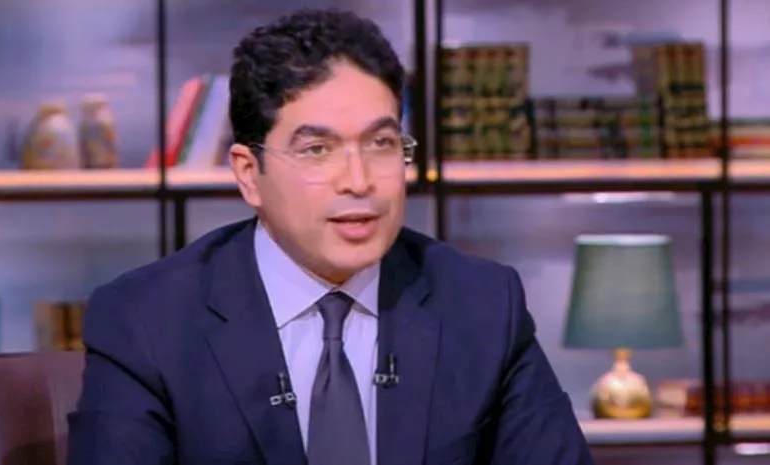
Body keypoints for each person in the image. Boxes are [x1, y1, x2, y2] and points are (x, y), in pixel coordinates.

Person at [67, 8, 593, 465]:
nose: (359, 181)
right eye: (317, 150)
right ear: (249, 173)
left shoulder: (482, 305)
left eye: (381, 144)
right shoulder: (147, 322)